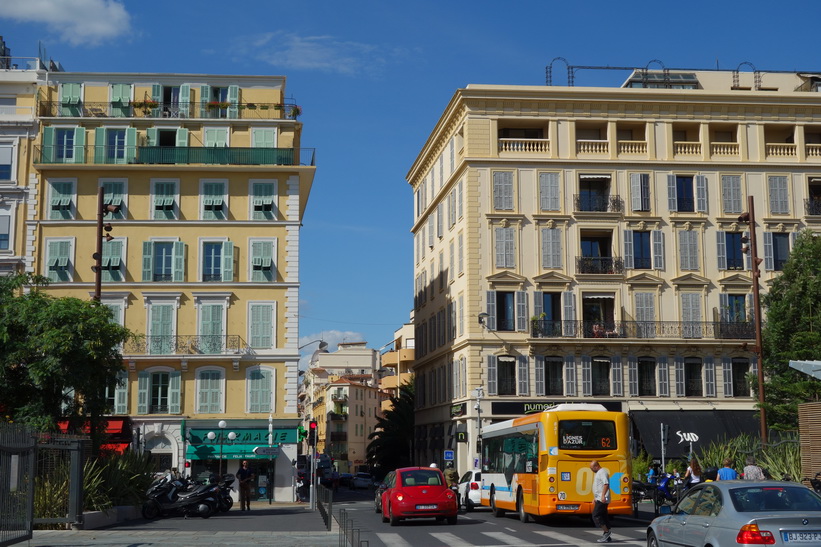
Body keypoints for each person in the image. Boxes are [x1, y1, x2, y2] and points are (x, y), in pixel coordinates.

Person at [590, 460, 611, 543]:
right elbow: (599, 486)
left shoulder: (602, 472)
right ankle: (607, 537)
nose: (591, 470)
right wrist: (595, 498)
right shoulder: (599, 472)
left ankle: (607, 532)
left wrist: (602, 496)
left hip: (602, 499)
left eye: (592, 468)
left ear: (596, 466)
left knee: (596, 515)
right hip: (599, 498)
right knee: (603, 515)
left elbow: (606, 484)